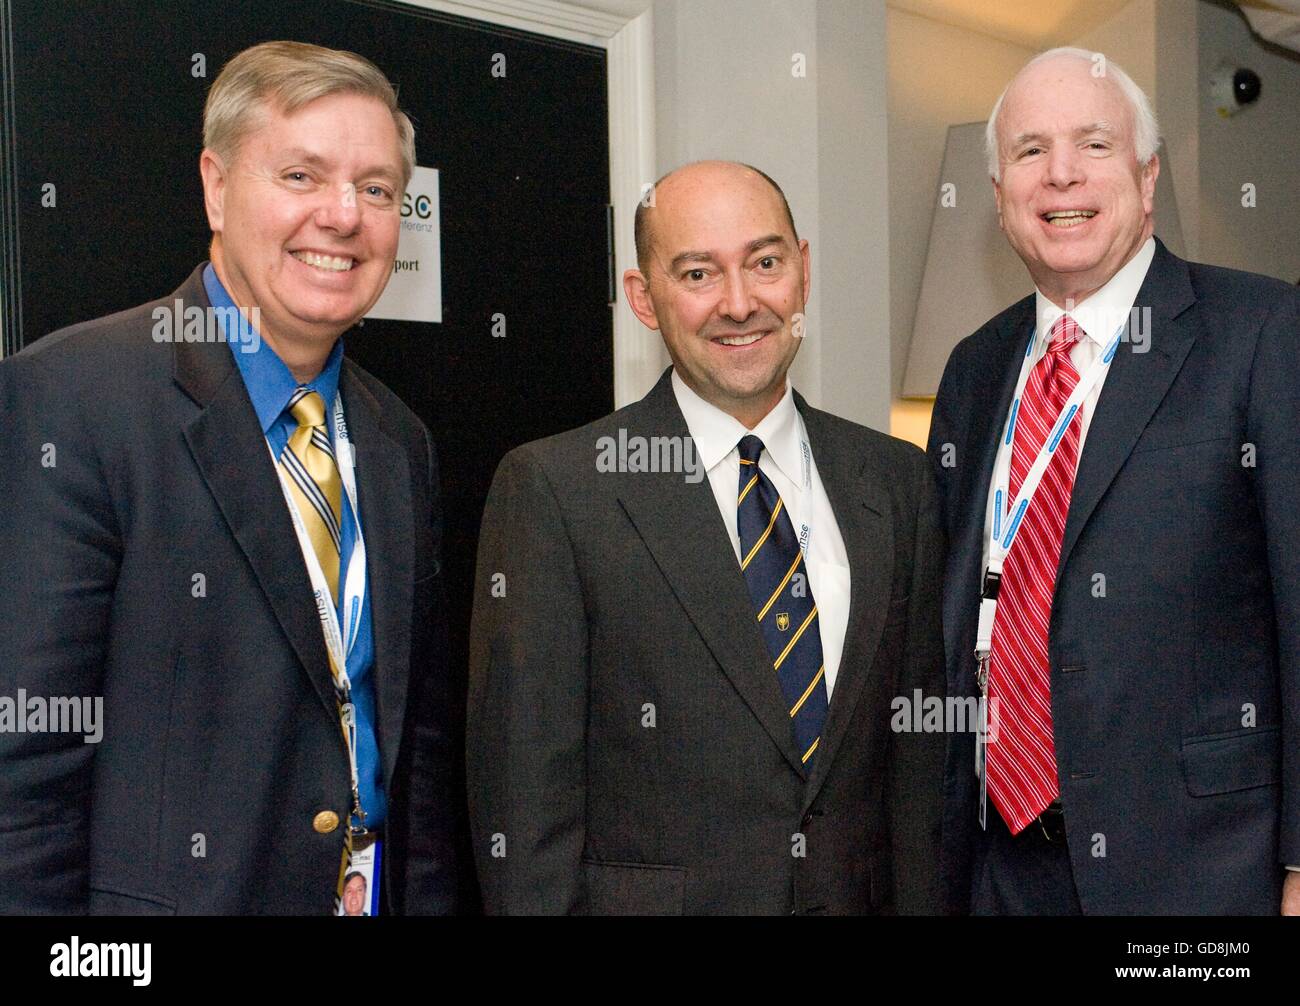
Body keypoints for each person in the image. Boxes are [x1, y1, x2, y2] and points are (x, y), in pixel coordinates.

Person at [0, 41, 459, 914]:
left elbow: (418, 757)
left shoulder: (401, 441)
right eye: (300, 176)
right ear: (215, 186)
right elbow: (24, 777)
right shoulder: (71, 400)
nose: (343, 215)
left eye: (376, 189)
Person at [467, 160, 946, 915]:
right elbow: (525, 795)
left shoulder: (896, 481)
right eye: (697, 273)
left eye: (764, 262)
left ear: (803, 270)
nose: (740, 302)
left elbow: (920, 771)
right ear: (643, 298)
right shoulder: (558, 489)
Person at [928, 47, 1300, 915]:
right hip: (999, 870)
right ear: (998, 195)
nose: (1061, 174)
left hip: (1201, 875)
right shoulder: (974, 371)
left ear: (1146, 172)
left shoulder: (1261, 330)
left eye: (1094, 145)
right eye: (1029, 151)